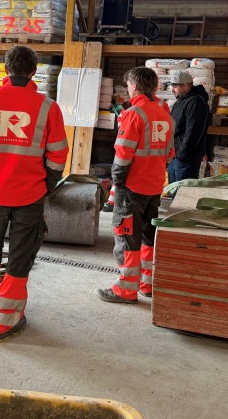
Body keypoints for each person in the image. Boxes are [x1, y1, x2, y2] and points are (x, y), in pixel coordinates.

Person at [0, 45, 69, 342]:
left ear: (6, 69)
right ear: (34, 71)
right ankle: (3, 322)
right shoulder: (48, 107)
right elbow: (58, 154)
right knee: (20, 258)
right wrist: (47, 185)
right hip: (29, 196)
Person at [97, 67, 173, 304]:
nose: (128, 89)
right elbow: (170, 154)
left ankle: (126, 289)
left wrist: (117, 182)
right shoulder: (165, 115)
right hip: (154, 186)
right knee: (148, 236)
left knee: (127, 237)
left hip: (132, 186)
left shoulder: (134, 114)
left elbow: (123, 154)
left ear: (136, 86)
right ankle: (146, 284)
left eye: (129, 85)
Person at [167, 69, 210, 182]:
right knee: (173, 189)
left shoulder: (196, 102)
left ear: (185, 86)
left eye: (175, 86)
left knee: (183, 190)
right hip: (175, 156)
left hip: (186, 159)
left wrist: (182, 154)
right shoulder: (181, 101)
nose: (172, 90)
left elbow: (194, 132)